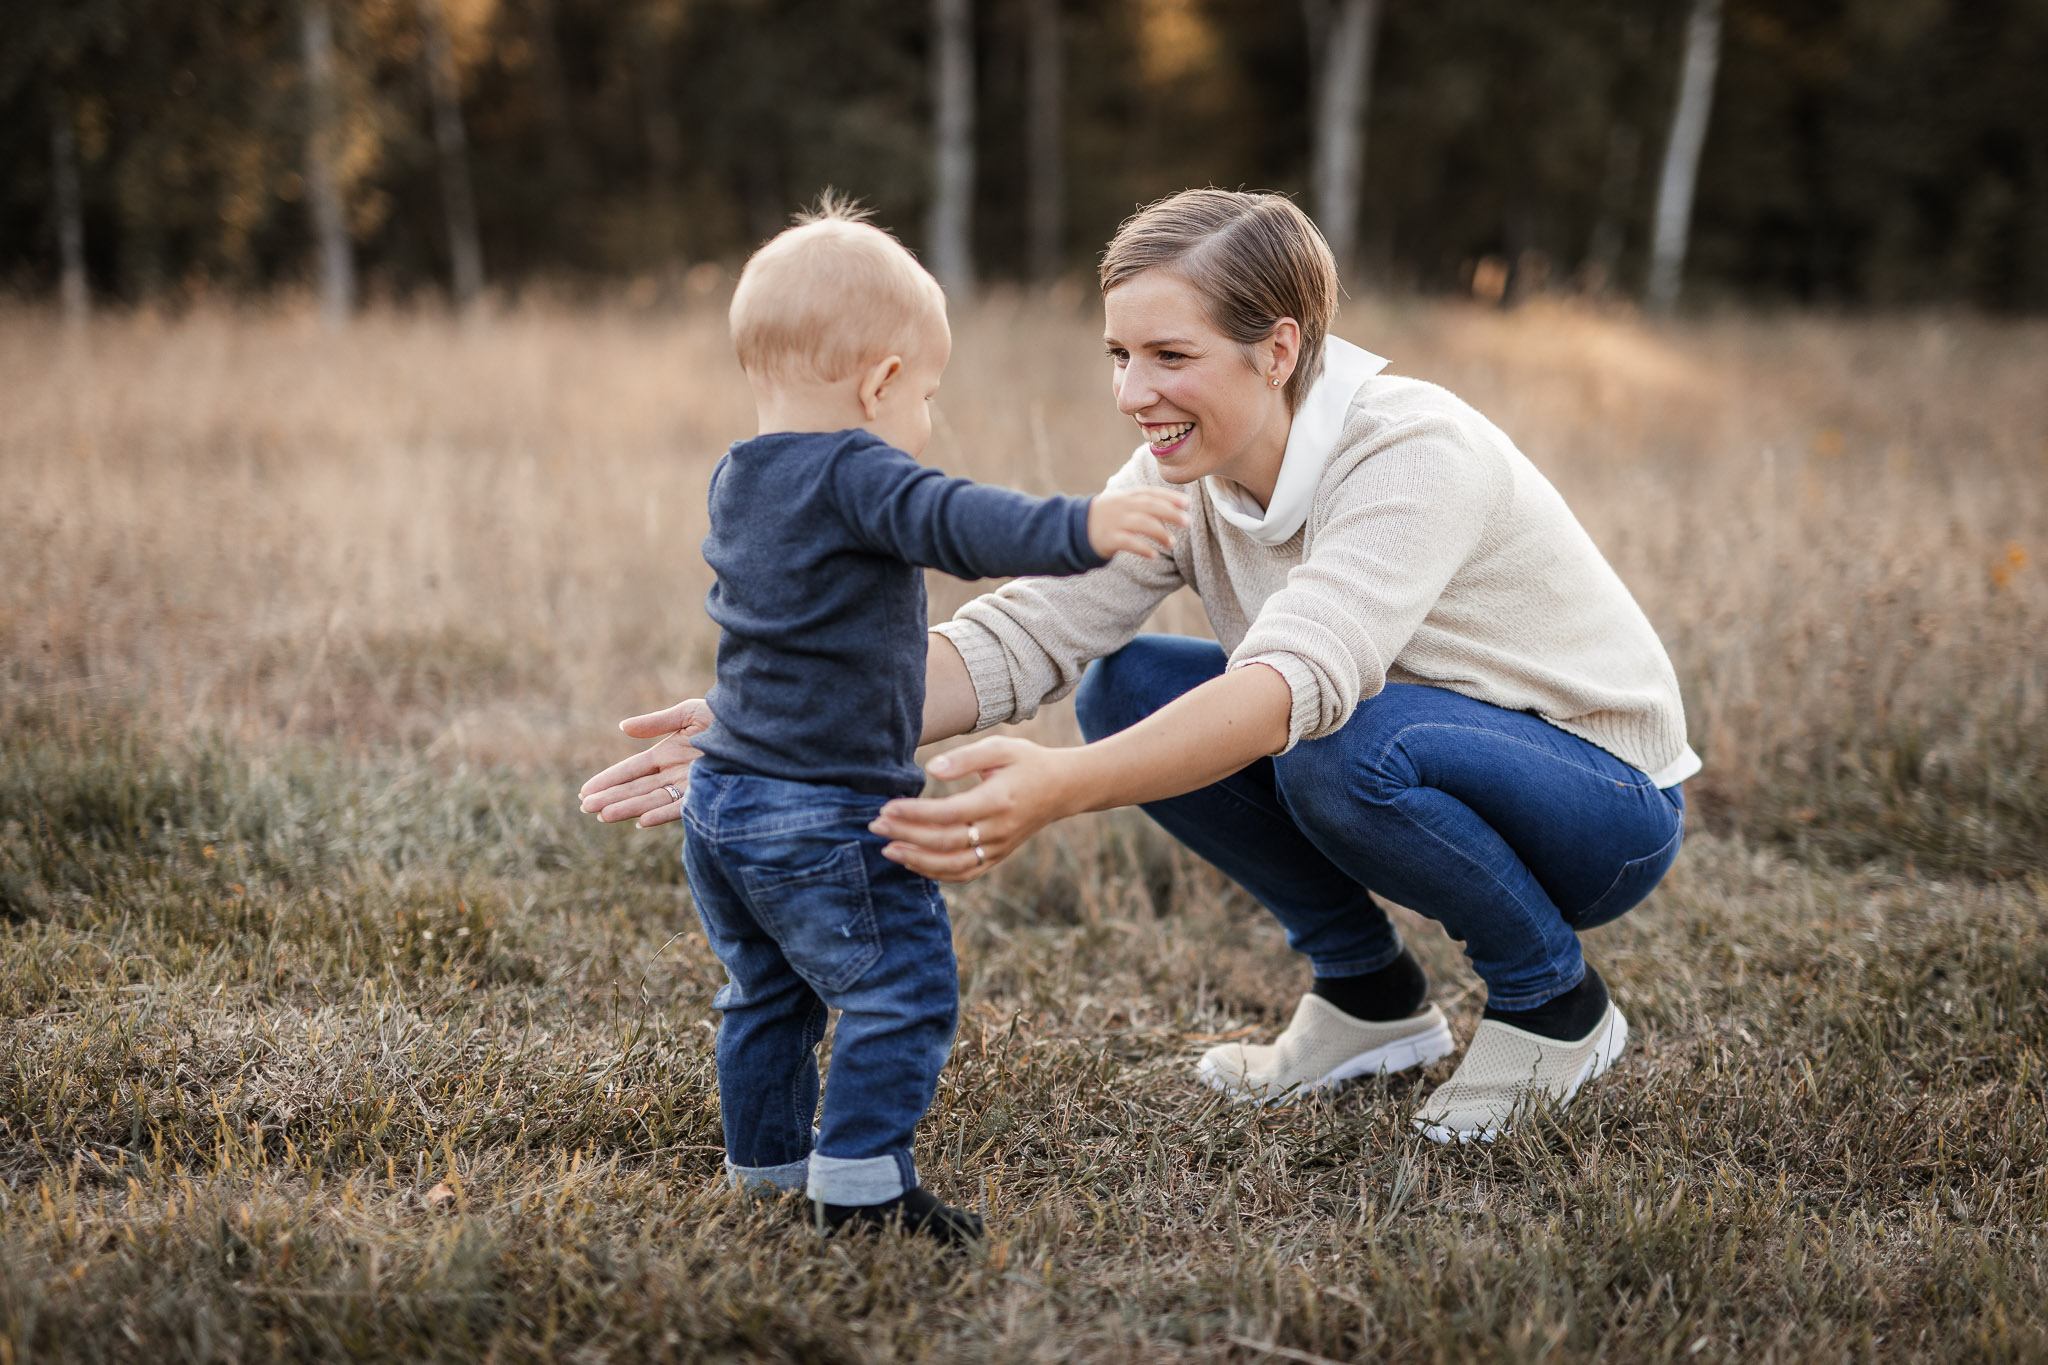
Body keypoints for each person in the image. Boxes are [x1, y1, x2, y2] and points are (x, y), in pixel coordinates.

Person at [583, 188, 1696, 1147]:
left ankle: (1554, 1009)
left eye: (1170, 356)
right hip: (1403, 750)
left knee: (1334, 741)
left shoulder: (1411, 451)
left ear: (1278, 349)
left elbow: (1292, 684)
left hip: (1600, 808)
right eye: (1120, 355)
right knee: (1127, 681)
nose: (1132, 392)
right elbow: (1030, 635)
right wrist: (765, 727)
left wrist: (1062, 786)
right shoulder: (1184, 467)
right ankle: (1369, 1003)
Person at [580, 200, 1188, 1244]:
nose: (928, 420)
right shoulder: (860, 471)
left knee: (765, 992)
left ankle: (764, 1169)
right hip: (823, 813)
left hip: (721, 802)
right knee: (900, 992)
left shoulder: (742, 475)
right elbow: (958, 521)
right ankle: (860, 1190)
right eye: (929, 394)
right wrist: (1084, 525)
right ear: (879, 384)